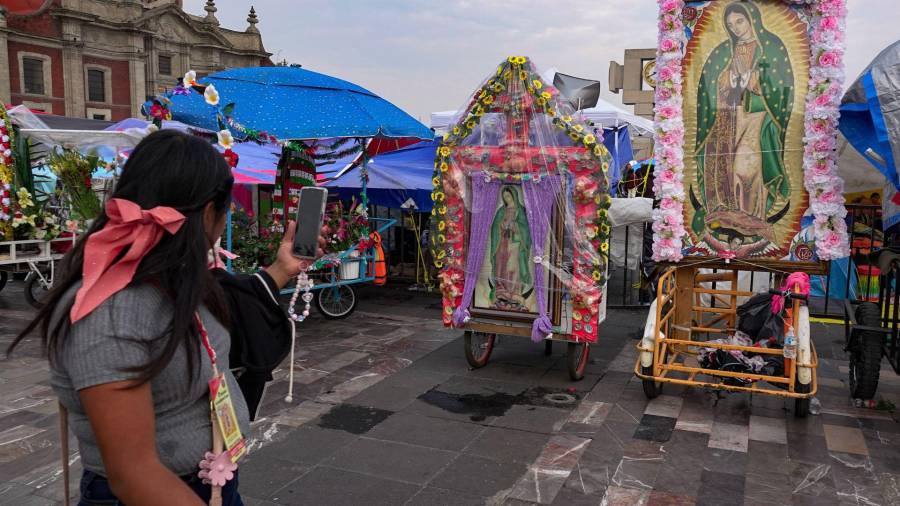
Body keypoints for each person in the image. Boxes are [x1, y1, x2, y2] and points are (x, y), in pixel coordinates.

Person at [7, 130, 312, 505]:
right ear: (207, 215)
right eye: (226, 208)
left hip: (209, 482)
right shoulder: (111, 311)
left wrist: (281, 270)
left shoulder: (174, 278)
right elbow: (135, 476)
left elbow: (233, 312)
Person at [693, 1, 794, 247]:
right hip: (728, 117)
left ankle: (752, 218)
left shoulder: (771, 46)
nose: (736, 28)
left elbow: (782, 86)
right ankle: (725, 215)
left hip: (757, 116)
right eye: (730, 25)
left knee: (746, 167)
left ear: (752, 19)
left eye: (740, 21)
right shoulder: (723, 51)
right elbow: (710, 85)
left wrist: (752, 79)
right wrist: (729, 79)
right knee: (724, 165)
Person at [489, 186, 532, 310]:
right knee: (501, 267)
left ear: (514, 196)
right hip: (501, 244)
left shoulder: (521, 211)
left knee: (512, 268)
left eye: (508, 196)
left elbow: (526, 230)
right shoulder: (501, 211)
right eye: (504, 197)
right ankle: (501, 292)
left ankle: (514, 294)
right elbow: (494, 228)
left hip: (515, 245)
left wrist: (515, 226)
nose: (506, 199)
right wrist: (500, 226)